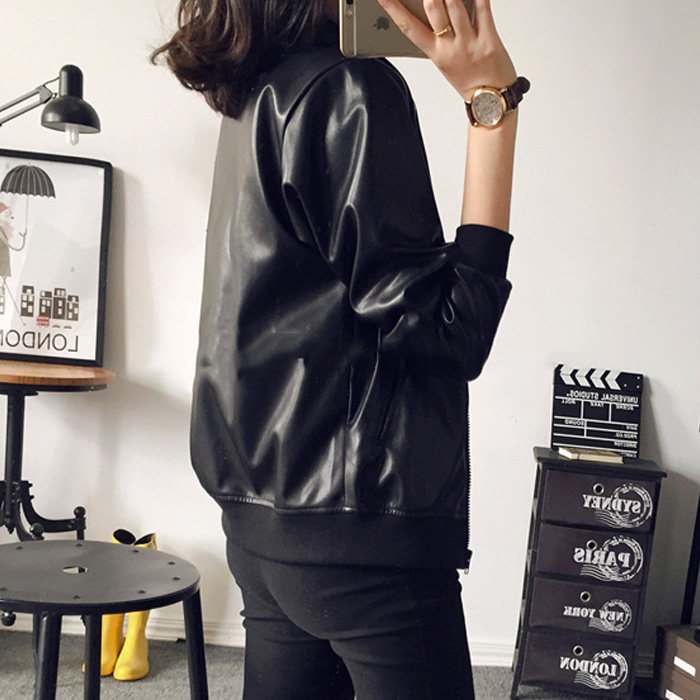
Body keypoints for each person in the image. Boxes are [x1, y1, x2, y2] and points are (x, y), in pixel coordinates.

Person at [153, 0, 525, 697]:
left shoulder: (261, 87)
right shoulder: (351, 87)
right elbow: (453, 330)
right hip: (361, 537)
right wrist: (492, 105)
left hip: (265, 527)